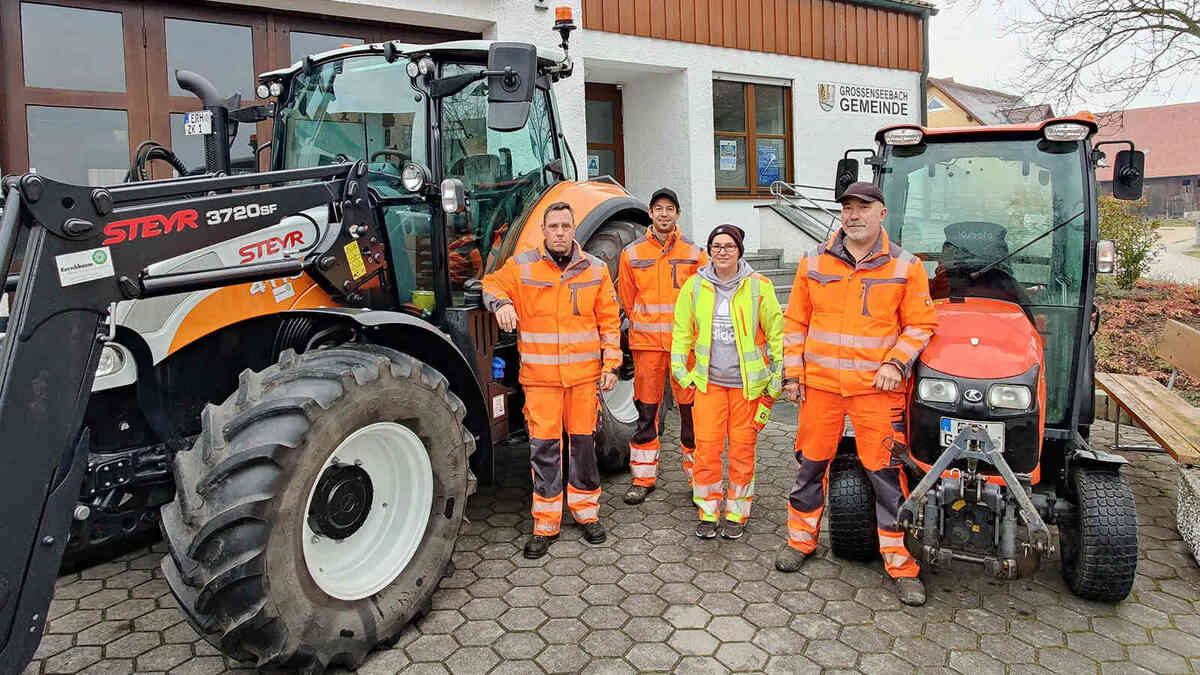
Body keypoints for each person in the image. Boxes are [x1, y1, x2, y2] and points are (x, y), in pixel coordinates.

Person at [773, 182, 938, 606]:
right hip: (821, 390)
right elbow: (794, 323)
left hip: (874, 393)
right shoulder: (813, 262)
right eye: (847, 207)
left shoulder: (906, 266)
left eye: (863, 207)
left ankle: (900, 563)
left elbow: (921, 325)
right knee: (809, 467)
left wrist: (895, 363)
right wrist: (793, 374)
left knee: (886, 476)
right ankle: (801, 542)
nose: (853, 215)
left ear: (882, 213)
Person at [481, 202, 622, 559]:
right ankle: (545, 522)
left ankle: (587, 513)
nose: (560, 232)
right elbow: (491, 283)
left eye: (565, 226)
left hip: (582, 379)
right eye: (554, 226)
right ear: (543, 231)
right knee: (544, 450)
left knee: (583, 447)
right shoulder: (522, 267)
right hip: (541, 380)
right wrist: (500, 304)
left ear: (573, 230)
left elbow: (609, 321)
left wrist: (612, 364)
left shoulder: (595, 269)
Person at [670, 224, 783, 540]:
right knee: (705, 450)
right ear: (709, 251)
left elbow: (777, 337)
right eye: (716, 246)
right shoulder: (694, 287)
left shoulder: (760, 287)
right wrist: (683, 375)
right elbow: (680, 335)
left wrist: (775, 383)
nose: (722, 251)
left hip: (747, 389)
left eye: (729, 246)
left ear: (739, 251)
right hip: (708, 386)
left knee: (742, 452)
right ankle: (708, 511)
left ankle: (736, 513)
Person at [617, 187, 708, 504]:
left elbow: (704, 299)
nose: (664, 214)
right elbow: (628, 301)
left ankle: (700, 481)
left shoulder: (696, 254)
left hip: (686, 350)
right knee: (646, 412)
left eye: (670, 208)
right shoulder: (632, 254)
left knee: (691, 415)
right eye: (658, 208)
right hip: (647, 349)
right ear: (651, 214)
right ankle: (643, 479)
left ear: (677, 214)